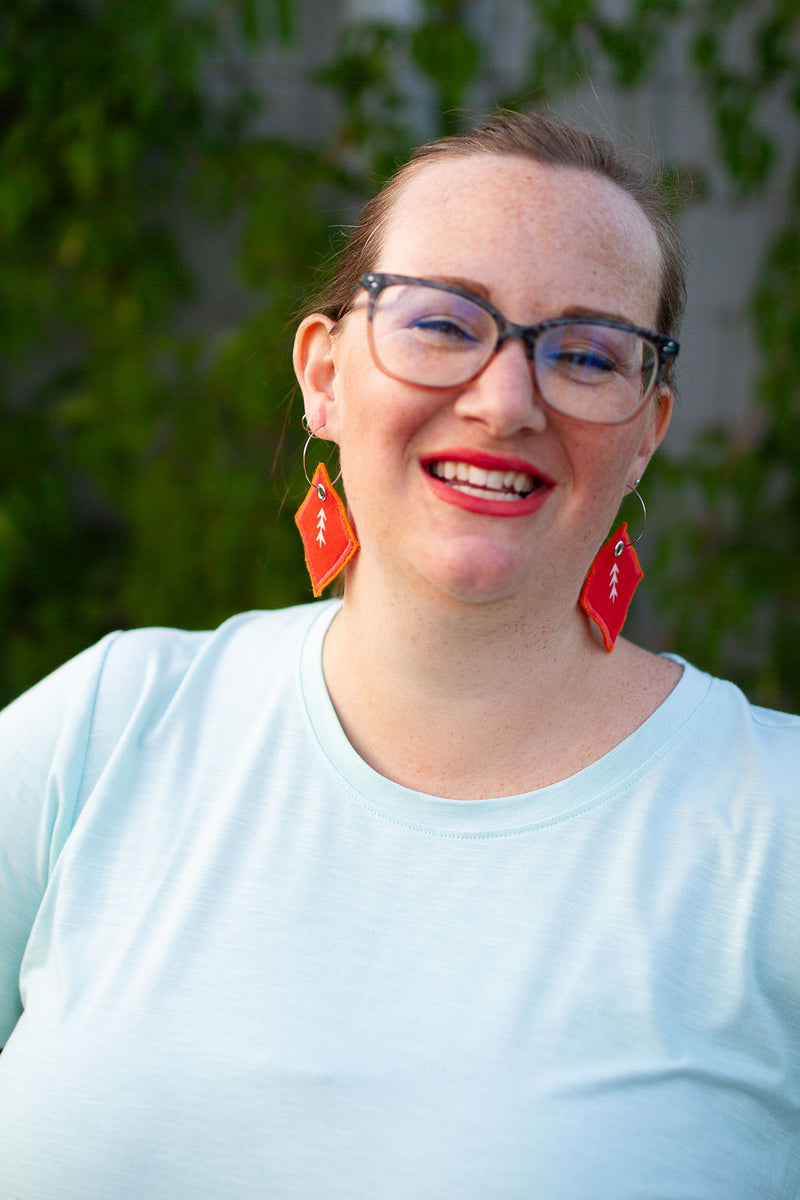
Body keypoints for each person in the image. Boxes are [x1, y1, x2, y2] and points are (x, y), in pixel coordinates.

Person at [0, 110, 797, 1199]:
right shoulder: (105, 727)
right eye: (440, 323)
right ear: (324, 376)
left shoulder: (774, 832)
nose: (504, 402)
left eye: (584, 353)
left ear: (647, 430)